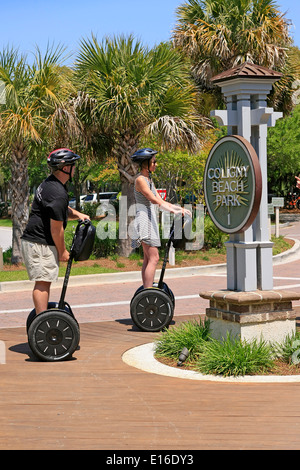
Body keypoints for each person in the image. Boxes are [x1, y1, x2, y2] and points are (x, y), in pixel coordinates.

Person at [21, 148, 90, 315]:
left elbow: (58, 209)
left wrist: (78, 214)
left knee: (44, 282)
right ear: (65, 168)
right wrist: (63, 251)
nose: (75, 168)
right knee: (43, 283)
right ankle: (42, 325)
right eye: (73, 165)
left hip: (36, 241)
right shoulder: (58, 192)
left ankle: (41, 321)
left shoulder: (50, 184)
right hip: (40, 243)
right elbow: (56, 228)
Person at [131, 148, 191, 289]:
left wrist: (179, 209)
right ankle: (148, 291)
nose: (156, 164)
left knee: (148, 258)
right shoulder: (140, 180)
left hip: (149, 219)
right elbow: (152, 200)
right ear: (145, 163)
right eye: (154, 162)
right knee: (154, 257)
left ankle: (147, 289)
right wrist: (172, 210)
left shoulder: (148, 180)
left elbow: (161, 200)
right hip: (144, 220)